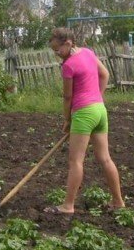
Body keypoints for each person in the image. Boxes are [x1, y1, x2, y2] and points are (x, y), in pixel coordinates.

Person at [45, 27, 125, 215]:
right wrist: (98, 96)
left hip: (83, 114)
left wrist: (67, 120)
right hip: (100, 111)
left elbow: (67, 97)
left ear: (68, 43)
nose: (56, 54)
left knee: (75, 161)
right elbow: (104, 74)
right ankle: (118, 202)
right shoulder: (88, 53)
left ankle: (68, 205)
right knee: (105, 158)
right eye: (53, 51)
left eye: (58, 50)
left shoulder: (69, 65)